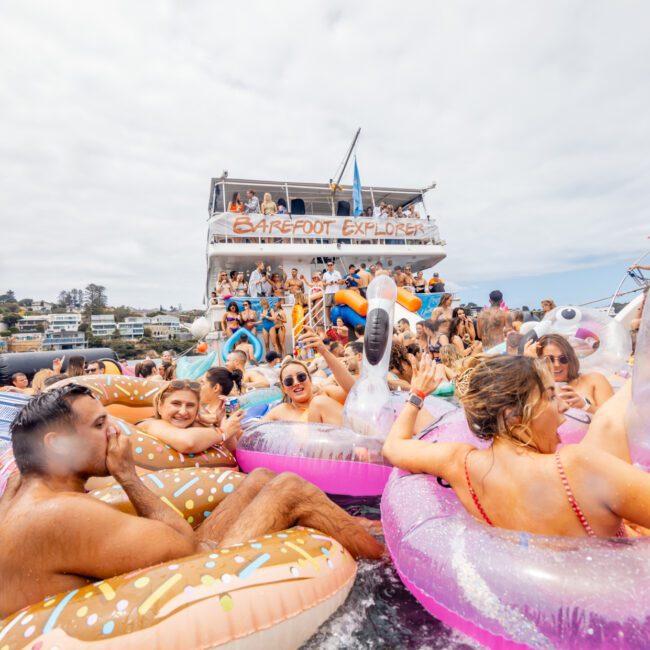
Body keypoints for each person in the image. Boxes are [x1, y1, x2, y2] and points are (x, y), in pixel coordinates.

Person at [0, 387, 382, 615]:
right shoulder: (59, 514)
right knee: (289, 489)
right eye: (100, 426)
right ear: (56, 445)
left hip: (173, 561)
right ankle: (387, 566)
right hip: (182, 582)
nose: (115, 432)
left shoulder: (24, 486)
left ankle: (360, 533)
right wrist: (127, 475)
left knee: (262, 479)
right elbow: (185, 550)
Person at [383, 354, 650, 539]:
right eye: (549, 396)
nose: (562, 409)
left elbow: (393, 448)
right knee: (608, 420)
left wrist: (417, 395)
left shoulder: (459, 464)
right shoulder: (577, 467)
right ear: (513, 416)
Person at [531, 333, 614, 414]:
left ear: (571, 360)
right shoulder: (535, 386)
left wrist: (586, 406)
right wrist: (528, 363)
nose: (557, 364)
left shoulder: (594, 380)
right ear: (538, 361)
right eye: (549, 359)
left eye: (563, 359)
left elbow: (614, 419)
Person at [322, 261, 344, 325]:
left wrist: (336, 282)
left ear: (333, 265)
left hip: (336, 292)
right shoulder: (325, 274)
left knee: (337, 307)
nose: (330, 266)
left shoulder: (337, 273)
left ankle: (337, 322)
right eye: (328, 265)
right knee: (327, 307)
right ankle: (330, 321)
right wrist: (328, 283)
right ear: (327, 266)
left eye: (331, 265)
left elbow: (341, 282)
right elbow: (323, 283)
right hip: (328, 292)